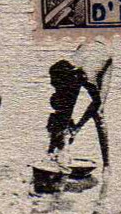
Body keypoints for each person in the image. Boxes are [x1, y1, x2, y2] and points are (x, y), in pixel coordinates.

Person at [46, 41, 113, 170]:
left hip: (104, 56)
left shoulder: (88, 79)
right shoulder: (61, 69)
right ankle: (51, 153)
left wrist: (77, 128)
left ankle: (107, 165)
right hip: (84, 52)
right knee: (64, 112)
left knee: (99, 114)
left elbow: (96, 103)